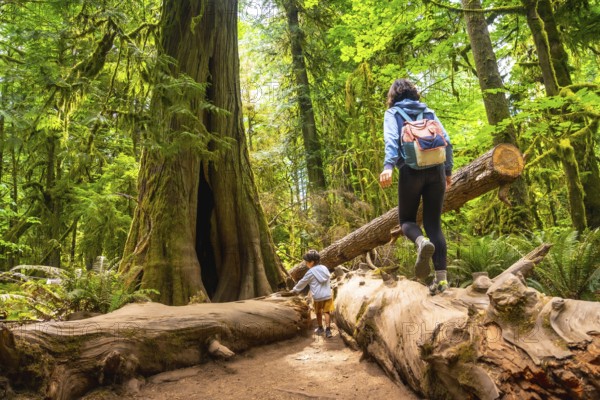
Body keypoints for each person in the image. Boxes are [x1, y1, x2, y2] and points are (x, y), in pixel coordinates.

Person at [379, 78, 453, 295]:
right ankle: (442, 282)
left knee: (407, 221)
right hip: (436, 170)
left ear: (394, 96)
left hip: (411, 171)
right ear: (414, 93)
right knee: (434, 225)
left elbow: (391, 139)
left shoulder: (393, 114)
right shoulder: (428, 111)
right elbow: (446, 140)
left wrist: (388, 166)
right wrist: (447, 171)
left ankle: (421, 243)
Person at [292, 250, 334, 338]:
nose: (306, 263)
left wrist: (295, 290)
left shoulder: (310, 272)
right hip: (327, 295)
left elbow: (302, 282)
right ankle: (328, 330)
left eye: (307, 261)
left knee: (318, 312)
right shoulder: (324, 268)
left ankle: (320, 328)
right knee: (327, 312)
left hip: (317, 297)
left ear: (312, 262)